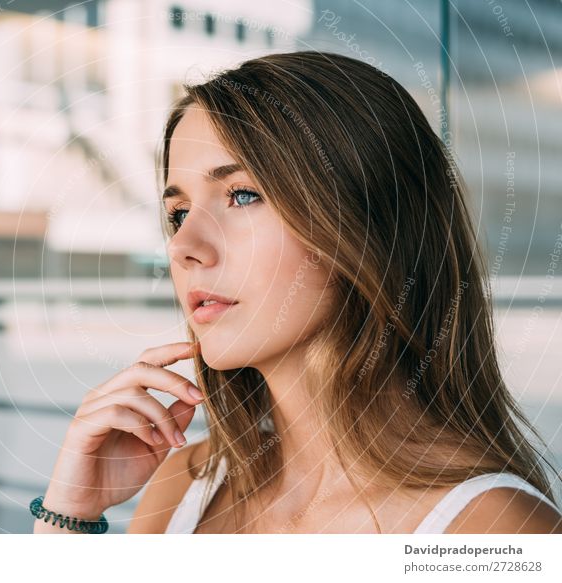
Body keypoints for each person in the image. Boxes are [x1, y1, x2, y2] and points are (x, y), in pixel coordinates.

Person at [34, 51, 562, 534]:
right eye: (178, 213)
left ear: (366, 224)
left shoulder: (493, 531)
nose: (183, 247)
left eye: (242, 195)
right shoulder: (182, 488)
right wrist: (71, 511)